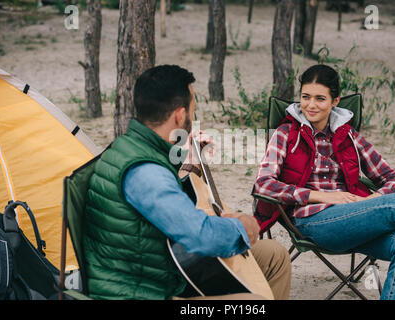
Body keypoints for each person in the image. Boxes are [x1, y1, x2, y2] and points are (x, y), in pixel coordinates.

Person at [82, 64, 291, 300]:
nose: (193, 116)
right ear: (180, 115)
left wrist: (188, 160)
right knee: (253, 303)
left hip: (164, 270)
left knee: (274, 255)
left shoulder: (132, 147)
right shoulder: (145, 173)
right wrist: (244, 226)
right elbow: (200, 236)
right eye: (193, 109)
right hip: (143, 292)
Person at [253, 64, 395, 300]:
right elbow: (263, 185)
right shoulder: (286, 133)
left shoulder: (349, 136)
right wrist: (322, 196)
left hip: (355, 218)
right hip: (312, 221)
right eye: (305, 97)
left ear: (335, 101)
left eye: (320, 98)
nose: (311, 105)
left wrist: (374, 200)